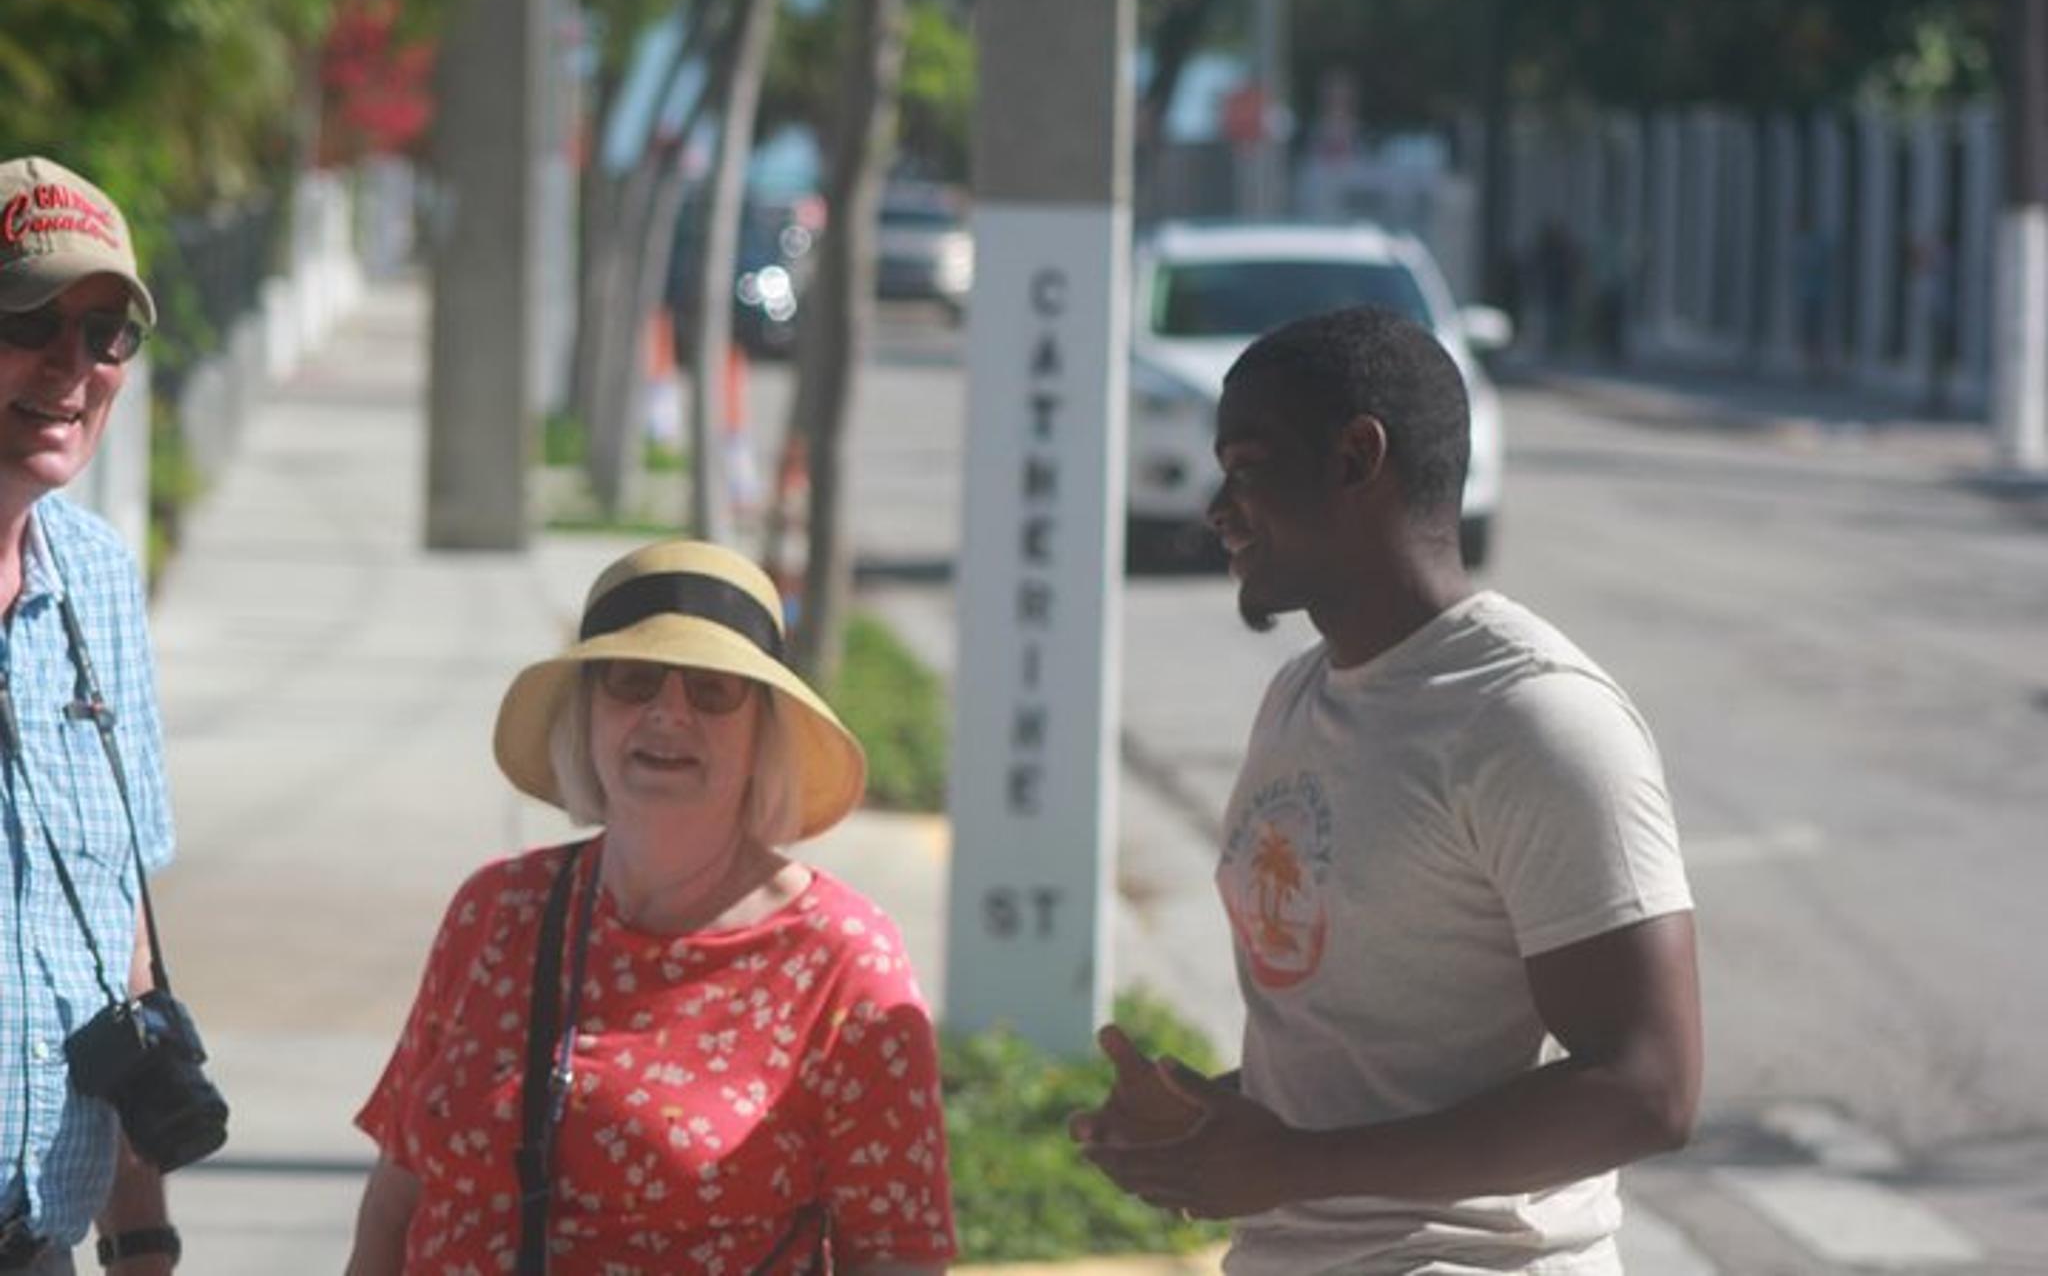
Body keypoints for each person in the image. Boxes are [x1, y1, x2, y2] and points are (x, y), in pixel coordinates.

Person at [1073, 307, 1700, 1273]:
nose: (1217, 503)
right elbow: (1372, 1059)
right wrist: (1214, 1124)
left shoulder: (1533, 718)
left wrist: (1293, 1164)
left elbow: (1648, 1087)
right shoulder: (1300, 693)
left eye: (1247, 464)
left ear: (1358, 457)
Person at [346, 540, 955, 1275]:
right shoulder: (495, 909)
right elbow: (396, 1196)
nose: (668, 712)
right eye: (633, 680)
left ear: (765, 728)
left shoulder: (845, 962)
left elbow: (897, 1257)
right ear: (587, 713)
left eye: (712, 690)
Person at [0, 155, 187, 1276]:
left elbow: (122, 944)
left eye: (107, 332)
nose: (76, 366)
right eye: (30, 319)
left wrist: (143, 1235)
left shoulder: (99, 582)